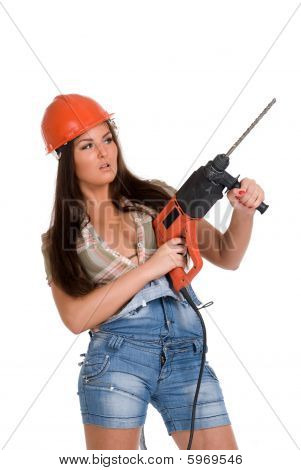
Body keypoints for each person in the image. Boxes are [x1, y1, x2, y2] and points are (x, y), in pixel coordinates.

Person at [41, 94, 264, 450]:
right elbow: (76, 318)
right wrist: (151, 268)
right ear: (65, 159)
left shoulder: (157, 198)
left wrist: (243, 211)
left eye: (107, 139)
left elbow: (227, 254)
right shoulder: (62, 237)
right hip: (118, 358)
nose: (104, 153)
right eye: (87, 145)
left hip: (187, 355)